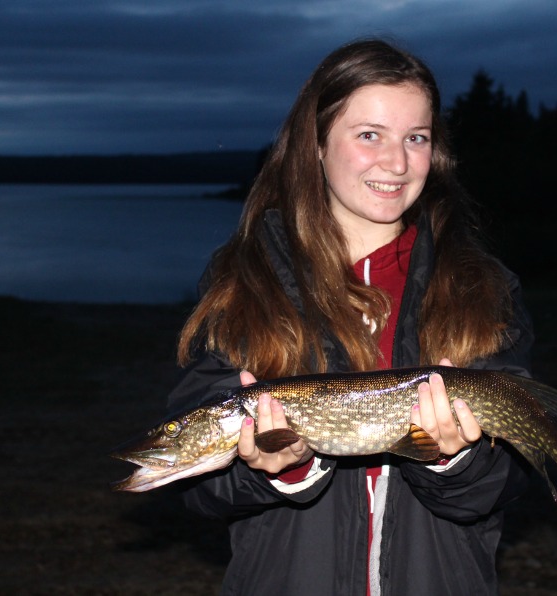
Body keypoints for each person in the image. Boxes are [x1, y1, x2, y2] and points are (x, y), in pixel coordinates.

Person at [167, 39, 534, 596]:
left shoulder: (481, 288)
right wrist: (279, 468)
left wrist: (452, 462)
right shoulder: (247, 285)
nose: (397, 162)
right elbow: (199, 489)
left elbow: (503, 482)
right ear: (315, 145)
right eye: (369, 136)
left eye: (417, 138)